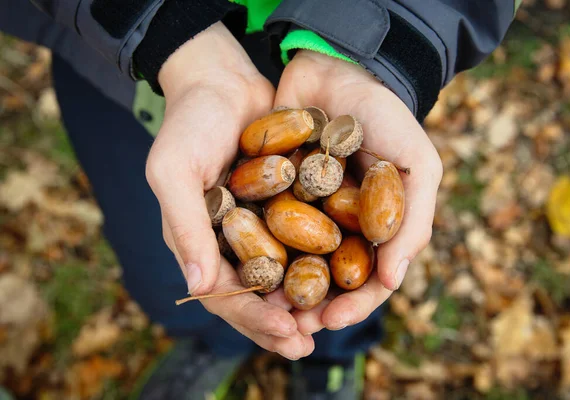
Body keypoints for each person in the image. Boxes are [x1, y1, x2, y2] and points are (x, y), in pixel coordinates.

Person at [1, 1, 517, 398]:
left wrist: (386, 43)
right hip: (115, 56)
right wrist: (163, 27)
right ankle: (212, 343)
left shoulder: (329, 182)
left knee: (345, 293)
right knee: (166, 261)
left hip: (347, 37)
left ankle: (332, 358)